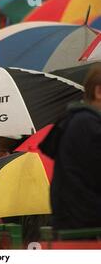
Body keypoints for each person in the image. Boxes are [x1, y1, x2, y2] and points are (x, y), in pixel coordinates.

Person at [40, 67, 101, 230]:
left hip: (74, 218)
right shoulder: (88, 125)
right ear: (99, 92)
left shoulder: (78, 121)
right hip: (84, 222)